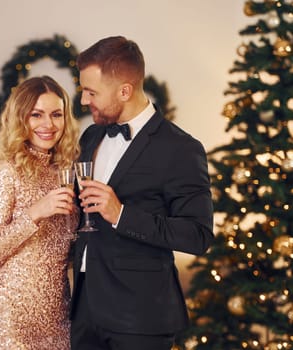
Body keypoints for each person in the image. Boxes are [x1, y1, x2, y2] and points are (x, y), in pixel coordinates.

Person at [70, 35, 215, 350]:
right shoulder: (91, 136)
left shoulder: (181, 149)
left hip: (140, 318)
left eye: (91, 92)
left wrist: (121, 214)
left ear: (125, 90)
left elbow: (198, 235)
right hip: (84, 310)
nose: (83, 101)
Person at [0, 75, 80, 349]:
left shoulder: (66, 171)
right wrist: (36, 212)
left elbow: (61, 252)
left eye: (56, 114)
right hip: (13, 317)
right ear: (21, 118)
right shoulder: (5, 170)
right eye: (37, 114)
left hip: (58, 314)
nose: (48, 124)